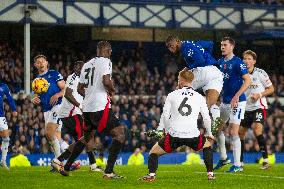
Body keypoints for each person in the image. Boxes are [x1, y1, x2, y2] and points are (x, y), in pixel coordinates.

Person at [57, 41, 126, 179]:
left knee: (86, 138)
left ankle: (65, 166)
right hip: (100, 107)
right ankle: (109, 172)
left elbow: (79, 88)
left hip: (87, 109)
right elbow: (106, 81)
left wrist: (89, 96)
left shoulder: (87, 64)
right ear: (107, 51)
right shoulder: (106, 61)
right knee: (120, 134)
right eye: (110, 52)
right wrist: (112, 91)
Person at [140, 69, 215, 182]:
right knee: (207, 146)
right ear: (192, 80)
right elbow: (206, 117)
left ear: (180, 81)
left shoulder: (172, 95)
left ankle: (151, 175)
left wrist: (162, 130)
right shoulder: (199, 97)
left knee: (153, 152)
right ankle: (210, 174)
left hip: (174, 135)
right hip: (192, 135)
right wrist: (209, 133)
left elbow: (165, 115)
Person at [165, 35, 223, 133]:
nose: (171, 49)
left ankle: (168, 125)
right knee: (211, 104)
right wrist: (207, 55)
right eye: (169, 48)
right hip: (216, 72)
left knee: (179, 89)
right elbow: (210, 44)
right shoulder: (194, 43)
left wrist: (188, 67)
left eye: (171, 45)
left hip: (204, 71)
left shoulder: (185, 47)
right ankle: (217, 119)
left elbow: (200, 60)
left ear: (178, 41)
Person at [51, 61, 101, 172]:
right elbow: (68, 94)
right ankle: (59, 161)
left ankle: (92, 164)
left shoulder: (84, 80)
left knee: (84, 139)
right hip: (70, 113)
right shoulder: (72, 78)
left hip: (75, 112)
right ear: (75, 68)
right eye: (78, 68)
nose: (80, 70)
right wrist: (80, 106)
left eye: (82, 68)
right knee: (83, 139)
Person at [214, 37, 251, 172]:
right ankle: (224, 158)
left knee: (233, 131)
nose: (222, 47)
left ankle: (237, 165)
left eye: (225, 45)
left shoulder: (238, 63)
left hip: (238, 101)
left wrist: (236, 96)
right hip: (225, 101)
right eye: (221, 45)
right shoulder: (220, 62)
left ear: (232, 47)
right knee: (217, 129)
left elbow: (247, 81)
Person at [239, 50, 274, 170]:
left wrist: (259, 94)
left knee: (257, 129)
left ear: (254, 61)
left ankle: (265, 161)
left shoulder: (260, 73)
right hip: (245, 108)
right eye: (244, 58)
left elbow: (271, 89)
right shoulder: (240, 73)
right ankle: (240, 162)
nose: (246, 61)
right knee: (240, 133)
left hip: (259, 106)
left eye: (249, 59)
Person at [32, 55, 65, 159]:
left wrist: (57, 95)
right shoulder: (36, 80)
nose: (41, 63)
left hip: (58, 106)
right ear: (35, 65)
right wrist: (35, 99)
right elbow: (38, 96)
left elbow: (65, 88)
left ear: (46, 63)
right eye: (38, 62)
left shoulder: (54, 74)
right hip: (47, 110)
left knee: (49, 133)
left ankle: (59, 161)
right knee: (55, 137)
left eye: (43, 61)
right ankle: (65, 160)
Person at [0, 81, 17, 169]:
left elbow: (10, 98)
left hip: (1, 116)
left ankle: (3, 161)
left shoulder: (4, 86)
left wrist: (14, 109)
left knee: (6, 138)